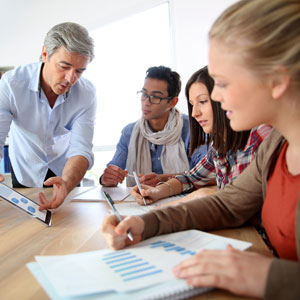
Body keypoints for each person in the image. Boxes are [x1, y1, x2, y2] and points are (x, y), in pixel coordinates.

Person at [101, 0, 300, 298]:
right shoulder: (277, 145)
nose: (216, 97)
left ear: (276, 80)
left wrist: (269, 275)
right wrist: (147, 222)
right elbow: (227, 204)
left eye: (221, 83)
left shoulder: (265, 139)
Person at [131, 66, 271, 205]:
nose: (194, 113)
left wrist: (178, 204)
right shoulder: (220, 143)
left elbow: (239, 202)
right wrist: (156, 192)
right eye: (192, 104)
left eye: (203, 101)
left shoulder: (260, 135)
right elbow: (192, 177)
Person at [0, 22, 97, 210]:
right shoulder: (12, 84)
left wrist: (68, 182)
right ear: (45, 54)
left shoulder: (86, 93)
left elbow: (81, 148)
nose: (70, 78)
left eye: (79, 71)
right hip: (26, 167)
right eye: (64, 66)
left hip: (66, 170)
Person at [100, 66, 207, 187]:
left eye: (155, 97)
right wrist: (107, 178)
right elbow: (113, 169)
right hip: (140, 202)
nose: (146, 102)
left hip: (185, 201)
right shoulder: (130, 132)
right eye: (144, 94)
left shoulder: (192, 129)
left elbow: (206, 174)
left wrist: (163, 179)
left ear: (172, 102)